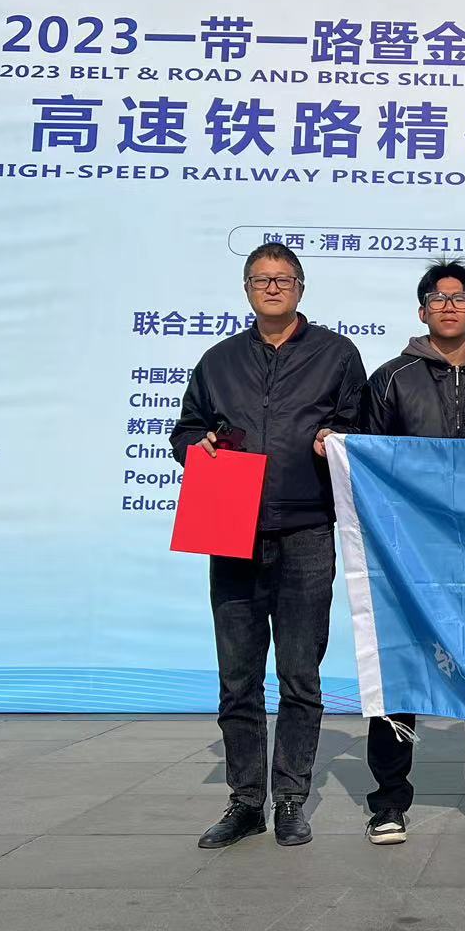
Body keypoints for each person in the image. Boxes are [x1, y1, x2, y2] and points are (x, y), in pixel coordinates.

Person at [171, 243, 367, 849]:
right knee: (238, 677)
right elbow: (186, 429)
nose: (273, 287)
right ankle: (245, 801)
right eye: (261, 279)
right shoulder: (219, 360)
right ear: (247, 290)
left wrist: (336, 437)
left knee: (300, 674)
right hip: (230, 526)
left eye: (283, 279)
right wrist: (196, 446)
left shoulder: (336, 354)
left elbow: (361, 426)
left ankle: (290, 798)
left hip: (307, 528)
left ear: (301, 288)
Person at [358, 259, 465, 848]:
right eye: (438, 298)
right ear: (421, 310)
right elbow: (367, 457)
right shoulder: (391, 378)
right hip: (408, 552)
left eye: (460, 298)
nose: (449, 306)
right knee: (400, 671)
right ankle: (389, 801)